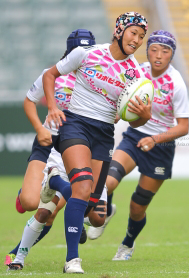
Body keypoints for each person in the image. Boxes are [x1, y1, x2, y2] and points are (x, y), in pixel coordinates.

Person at [39, 11, 151, 274]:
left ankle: (54, 180)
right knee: (81, 186)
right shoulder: (86, 53)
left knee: (91, 207)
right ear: (119, 30)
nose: (137, 40)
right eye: (134, 33)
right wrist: (54, 107)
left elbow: (133, 120)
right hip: (75, 124)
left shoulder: (135, 74)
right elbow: (49, 75)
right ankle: (72, 260)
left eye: (142, 37)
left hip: (103, 133)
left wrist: (143, 117)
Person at [87, 30, 189, 261]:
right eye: (154, 49)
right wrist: (116, 112)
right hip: (134, 137)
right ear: (147, 50)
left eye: (165, 51)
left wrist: (155, 139)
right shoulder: (138, 72)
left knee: (137, 207)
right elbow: (119, 97)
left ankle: (127, 244)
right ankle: (104, 212)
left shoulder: (176, 83)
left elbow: (183, 127)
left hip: (161, 148)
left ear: (172, 55)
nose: (159, 55)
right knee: (107, 181)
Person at [5, 29, 96, 267]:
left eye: (89, 50)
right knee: (29, 203)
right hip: (48, 143)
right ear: (70, 51)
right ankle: (41, 189)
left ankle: (16, 255)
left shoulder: (99, 79)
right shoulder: (53, 74)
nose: (85, 54)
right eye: (80, 49)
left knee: (51, 213)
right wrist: (39, 128)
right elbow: (29, 101)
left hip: (75, 147)